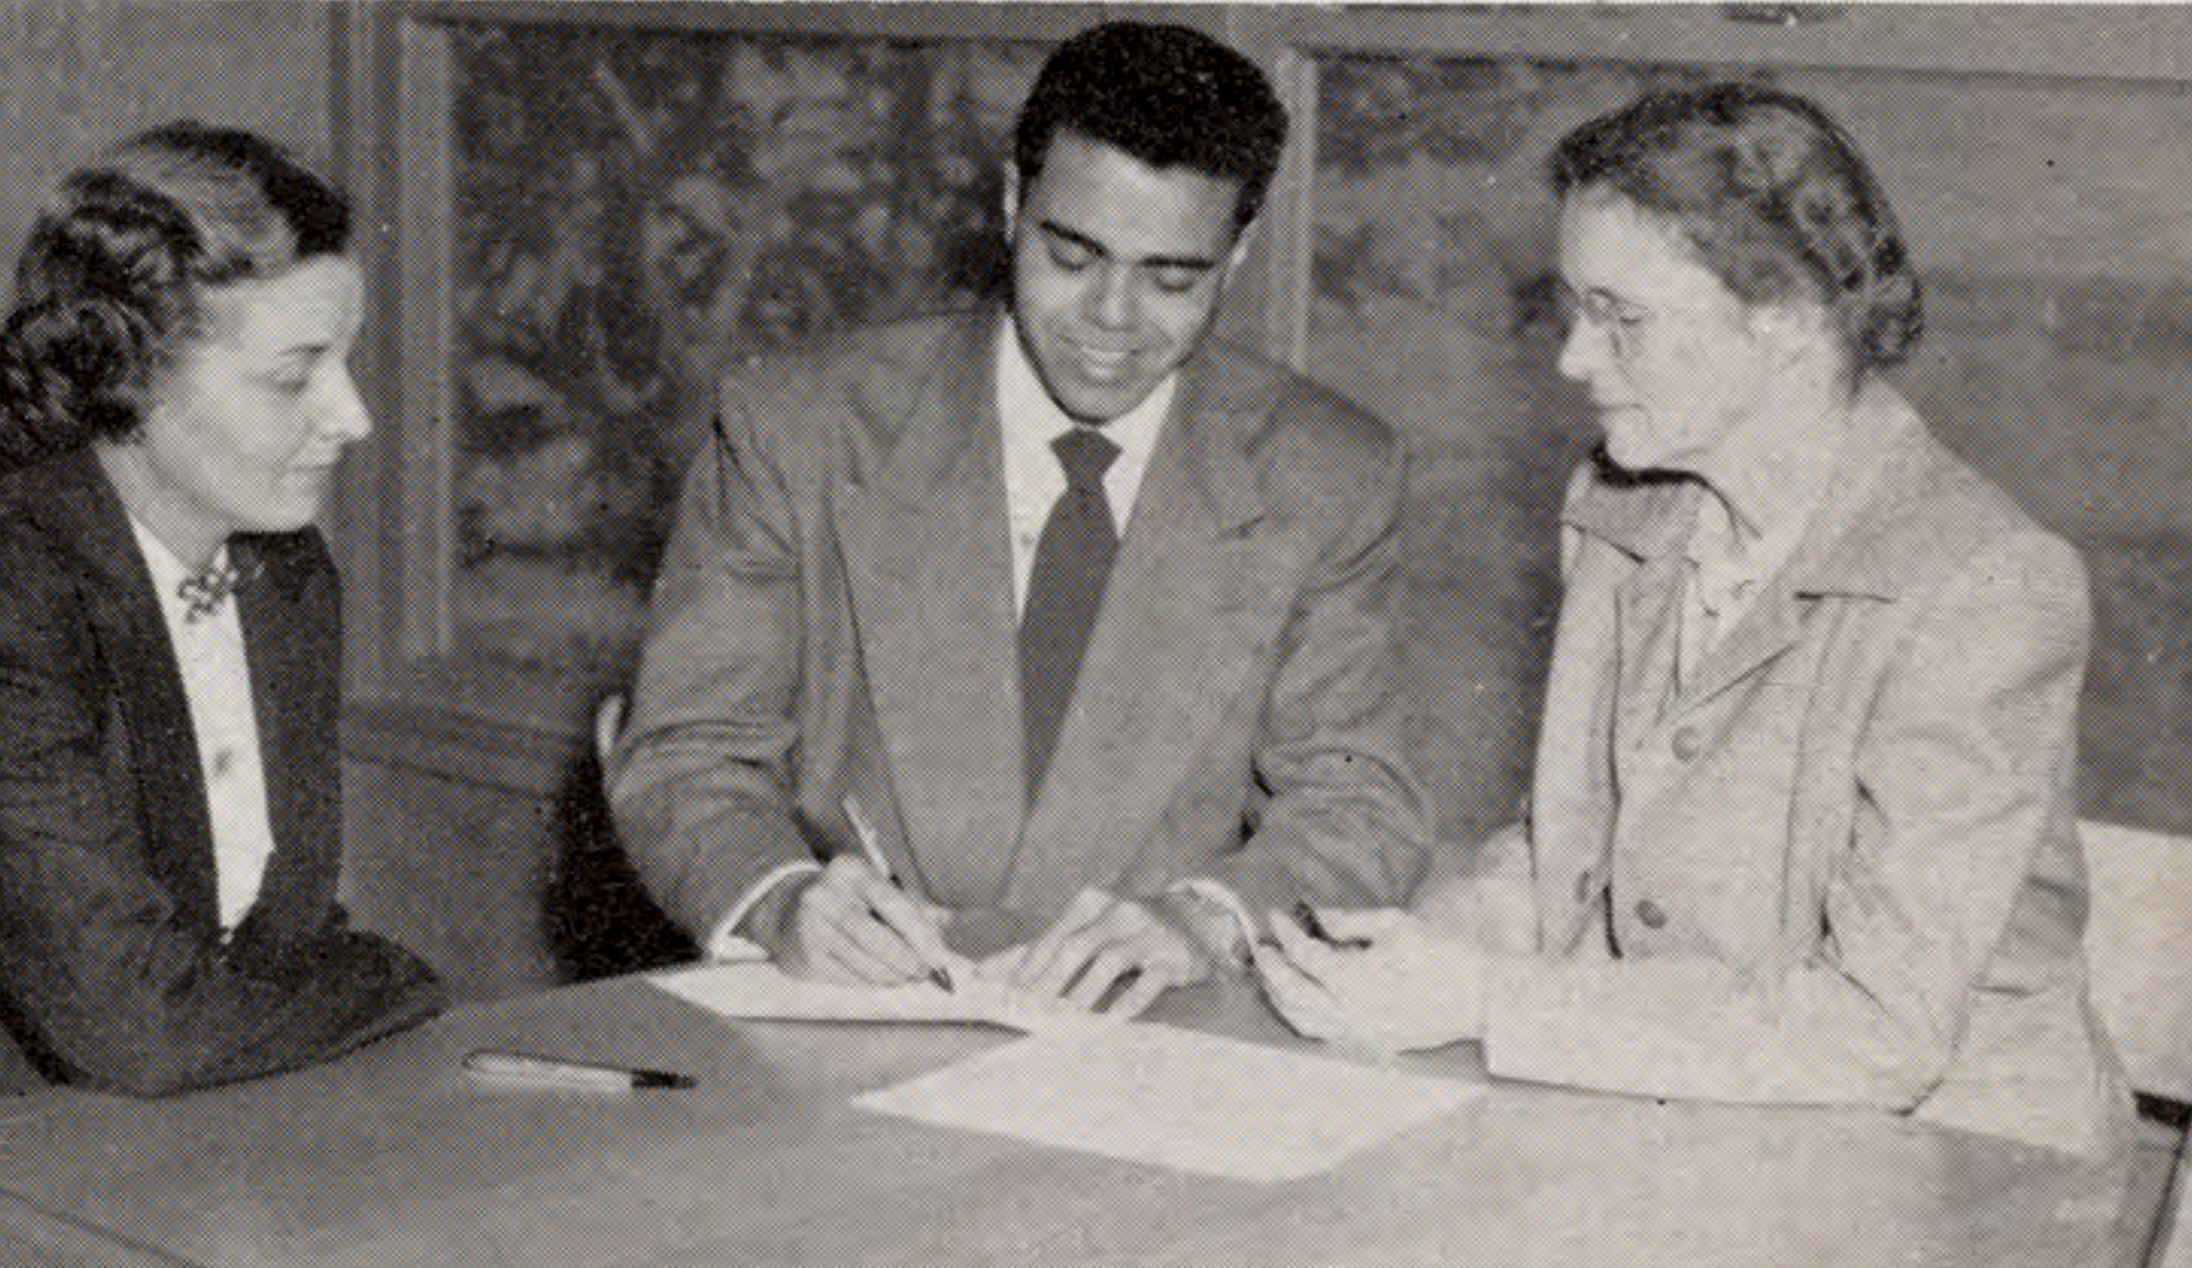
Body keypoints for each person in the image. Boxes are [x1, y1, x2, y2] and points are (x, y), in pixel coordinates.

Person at [1258, 83, 2133, 1159]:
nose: (1573, 359)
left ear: (1784, 318)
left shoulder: (1984, 583)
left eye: (1618, 316)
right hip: (1691, 1109)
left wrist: (1485, 1000)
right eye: (1573, 310)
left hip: (1956, 1156)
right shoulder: (1623, 506)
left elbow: (1880, 1031)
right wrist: (1406, 949)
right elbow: (1564, 854)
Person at [607, 22, 1431, 1017]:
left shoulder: (1326, 470)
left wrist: (1201, 918)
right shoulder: (798, 424)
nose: (1111, 320)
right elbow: (688, 750)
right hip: (850, 1020)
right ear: (1011, 202)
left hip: (1152, 1039)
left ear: (1239, 250)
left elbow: (1358, 802)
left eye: (1173, 278)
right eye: (1071, 255)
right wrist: (782, 902)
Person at [0, 122, 445, 1099]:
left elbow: (285, 934)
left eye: (345, 360)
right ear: (130, 374)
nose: (351, 415)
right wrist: (400, 975)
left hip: (201, 1127)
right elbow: (143, 1030)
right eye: (293, 374)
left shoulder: (287, 571)